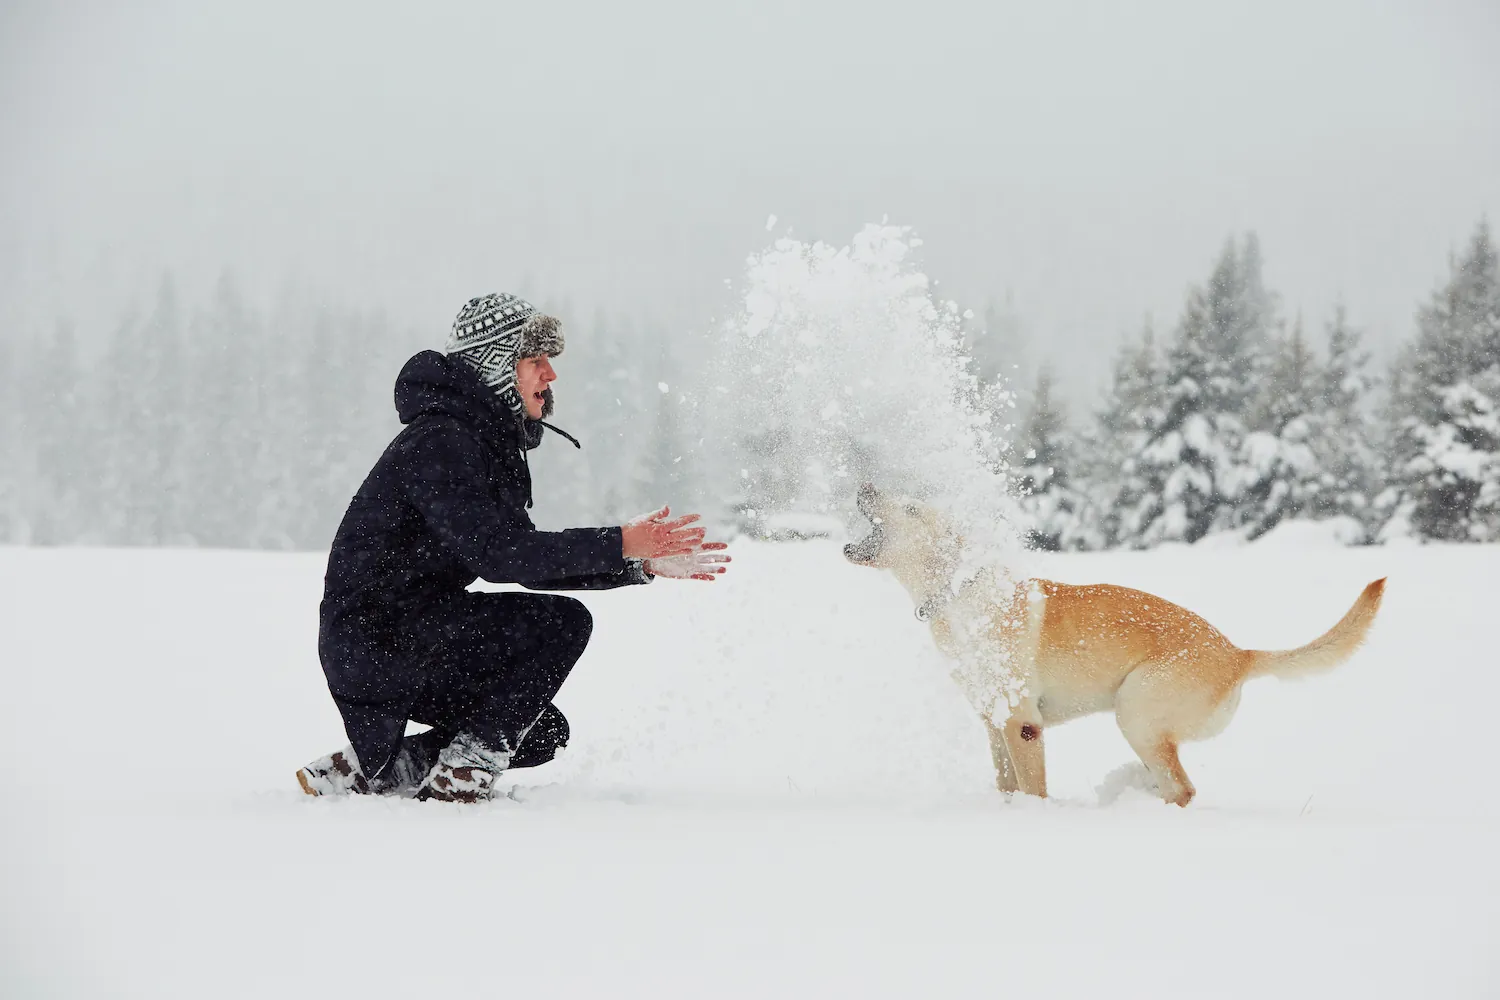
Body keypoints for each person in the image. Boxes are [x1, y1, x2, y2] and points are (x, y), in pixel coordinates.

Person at [298, 292, 730, 803]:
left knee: (541, 730)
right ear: (496, 364)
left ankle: (377, 770)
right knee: (561, 625)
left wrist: (638, 561)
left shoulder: (476, 439)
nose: (550, 374)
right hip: (378, 636)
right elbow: (503, 555)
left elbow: (524, 563)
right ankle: (460, 777)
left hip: (408, 632)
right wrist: (617, 542)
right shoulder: (441, 441)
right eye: (535, 360)